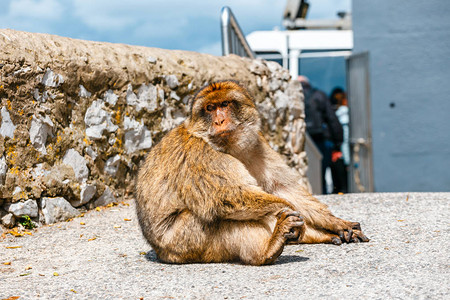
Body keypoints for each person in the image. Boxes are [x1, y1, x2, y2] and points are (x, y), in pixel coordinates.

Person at [298, 76, 343, 194]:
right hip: (322, 140)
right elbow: (332, 120)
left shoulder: (294, 96)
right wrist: (338, 145)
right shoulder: (319, 95)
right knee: (322, 172)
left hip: (303, 140)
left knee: (306, 172)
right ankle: (322, 195)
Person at [329, 87, 350, 193]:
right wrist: (347, 160)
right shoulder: (345, 115)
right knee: (344, 187)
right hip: (341, 155)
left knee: (336, 187)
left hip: (335, 153)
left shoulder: (335, 114)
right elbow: (345, 140)